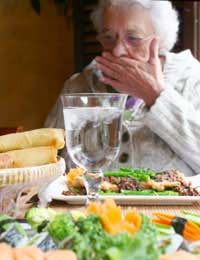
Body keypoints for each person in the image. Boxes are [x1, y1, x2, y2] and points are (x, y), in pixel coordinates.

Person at [45, 0, 200, 176]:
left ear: (161, 39)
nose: (117, 51)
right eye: (108, 37)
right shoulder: (78, 87)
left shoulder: (192, 80)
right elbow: (47, 163)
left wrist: (155, 95)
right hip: (92, 204)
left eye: (133, 38)